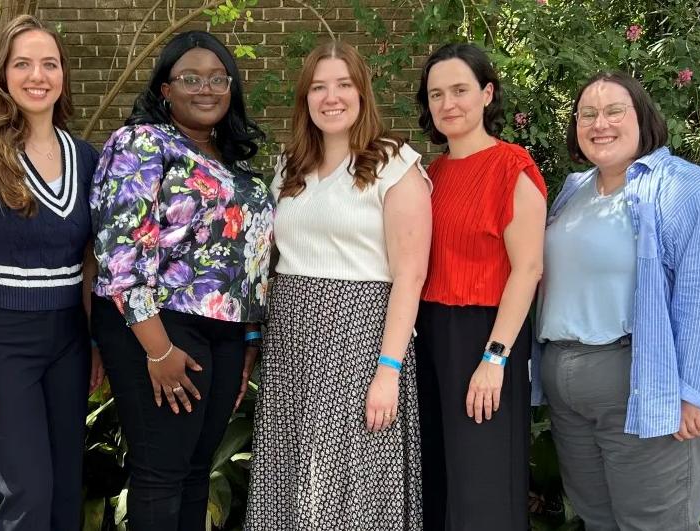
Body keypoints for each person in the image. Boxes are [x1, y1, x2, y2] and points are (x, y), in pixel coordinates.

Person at [534, 71, 700, 530]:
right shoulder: (574, 189)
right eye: (587, 114)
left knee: (654, 524)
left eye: (613, 111)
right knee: (597, 520)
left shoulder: (686, 189)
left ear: (642, 118)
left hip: (644, 386)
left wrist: (695, 395)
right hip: (569, 387)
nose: (599, 123)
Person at [89, 30, 273, 531]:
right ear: (166, 89)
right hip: (159, 326)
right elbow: (118, 252)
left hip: (226, 333)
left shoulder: (236, 165)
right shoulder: (141, 143)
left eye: (218, 78)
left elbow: (251, 261)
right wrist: (157, 350)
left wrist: (250, 338)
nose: (206, 88)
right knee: (162, 472)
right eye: (190, 78)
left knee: (196, 471)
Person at [244, 41, 432, 530]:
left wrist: (388, 368)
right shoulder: (291, 168)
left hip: (361, 339)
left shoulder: (395, 165)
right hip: (291, 342)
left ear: (362, 93)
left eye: (343, 85)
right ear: (305, 98)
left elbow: (410, 275)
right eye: (319, 87)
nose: (332, 97)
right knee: (292, 476)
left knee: (350, 480)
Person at [0, 14, 102, 531]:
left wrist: (95, 342)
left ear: (63, 75)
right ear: (2, 74)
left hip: (68, 341)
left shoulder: (87, 157)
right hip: (1, 343)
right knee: (24, 494)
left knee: (62, 490)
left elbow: (89, 266)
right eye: (23, 64)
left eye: (49, 64)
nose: (38, 75)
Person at [413, 42, 547, 530]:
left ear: (487, 93)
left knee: (483, 481)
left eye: (460, 90)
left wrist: (495, 357)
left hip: (487, 335)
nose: (448, 103)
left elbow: (528, 268)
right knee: (439, 476)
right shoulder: (431, 175)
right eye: (436, 94)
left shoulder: (512, 167)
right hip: (430, 334)